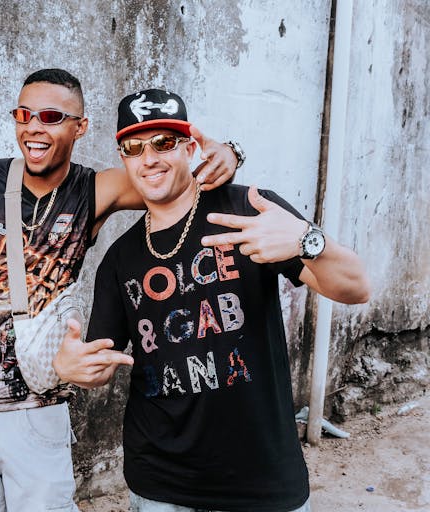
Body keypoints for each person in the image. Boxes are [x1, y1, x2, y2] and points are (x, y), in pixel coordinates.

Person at [0, 70, 243, 511]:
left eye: (50, 117)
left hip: (37, 400)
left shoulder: (95, 189)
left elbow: (170, 177)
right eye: (23, 115)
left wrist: (230, 153)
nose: (33, 127)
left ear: (80, 127)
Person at [53, 88, 370, 512]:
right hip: (160, 485)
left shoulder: (248, 211)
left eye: (163, 142)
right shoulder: (119, 258)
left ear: (189, 148)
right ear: (124, 159)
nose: (149, 158)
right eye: (134, 147)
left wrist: (307, 241)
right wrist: (72, 368)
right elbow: (99, 363)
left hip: (262, 479)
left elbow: (355, 288)